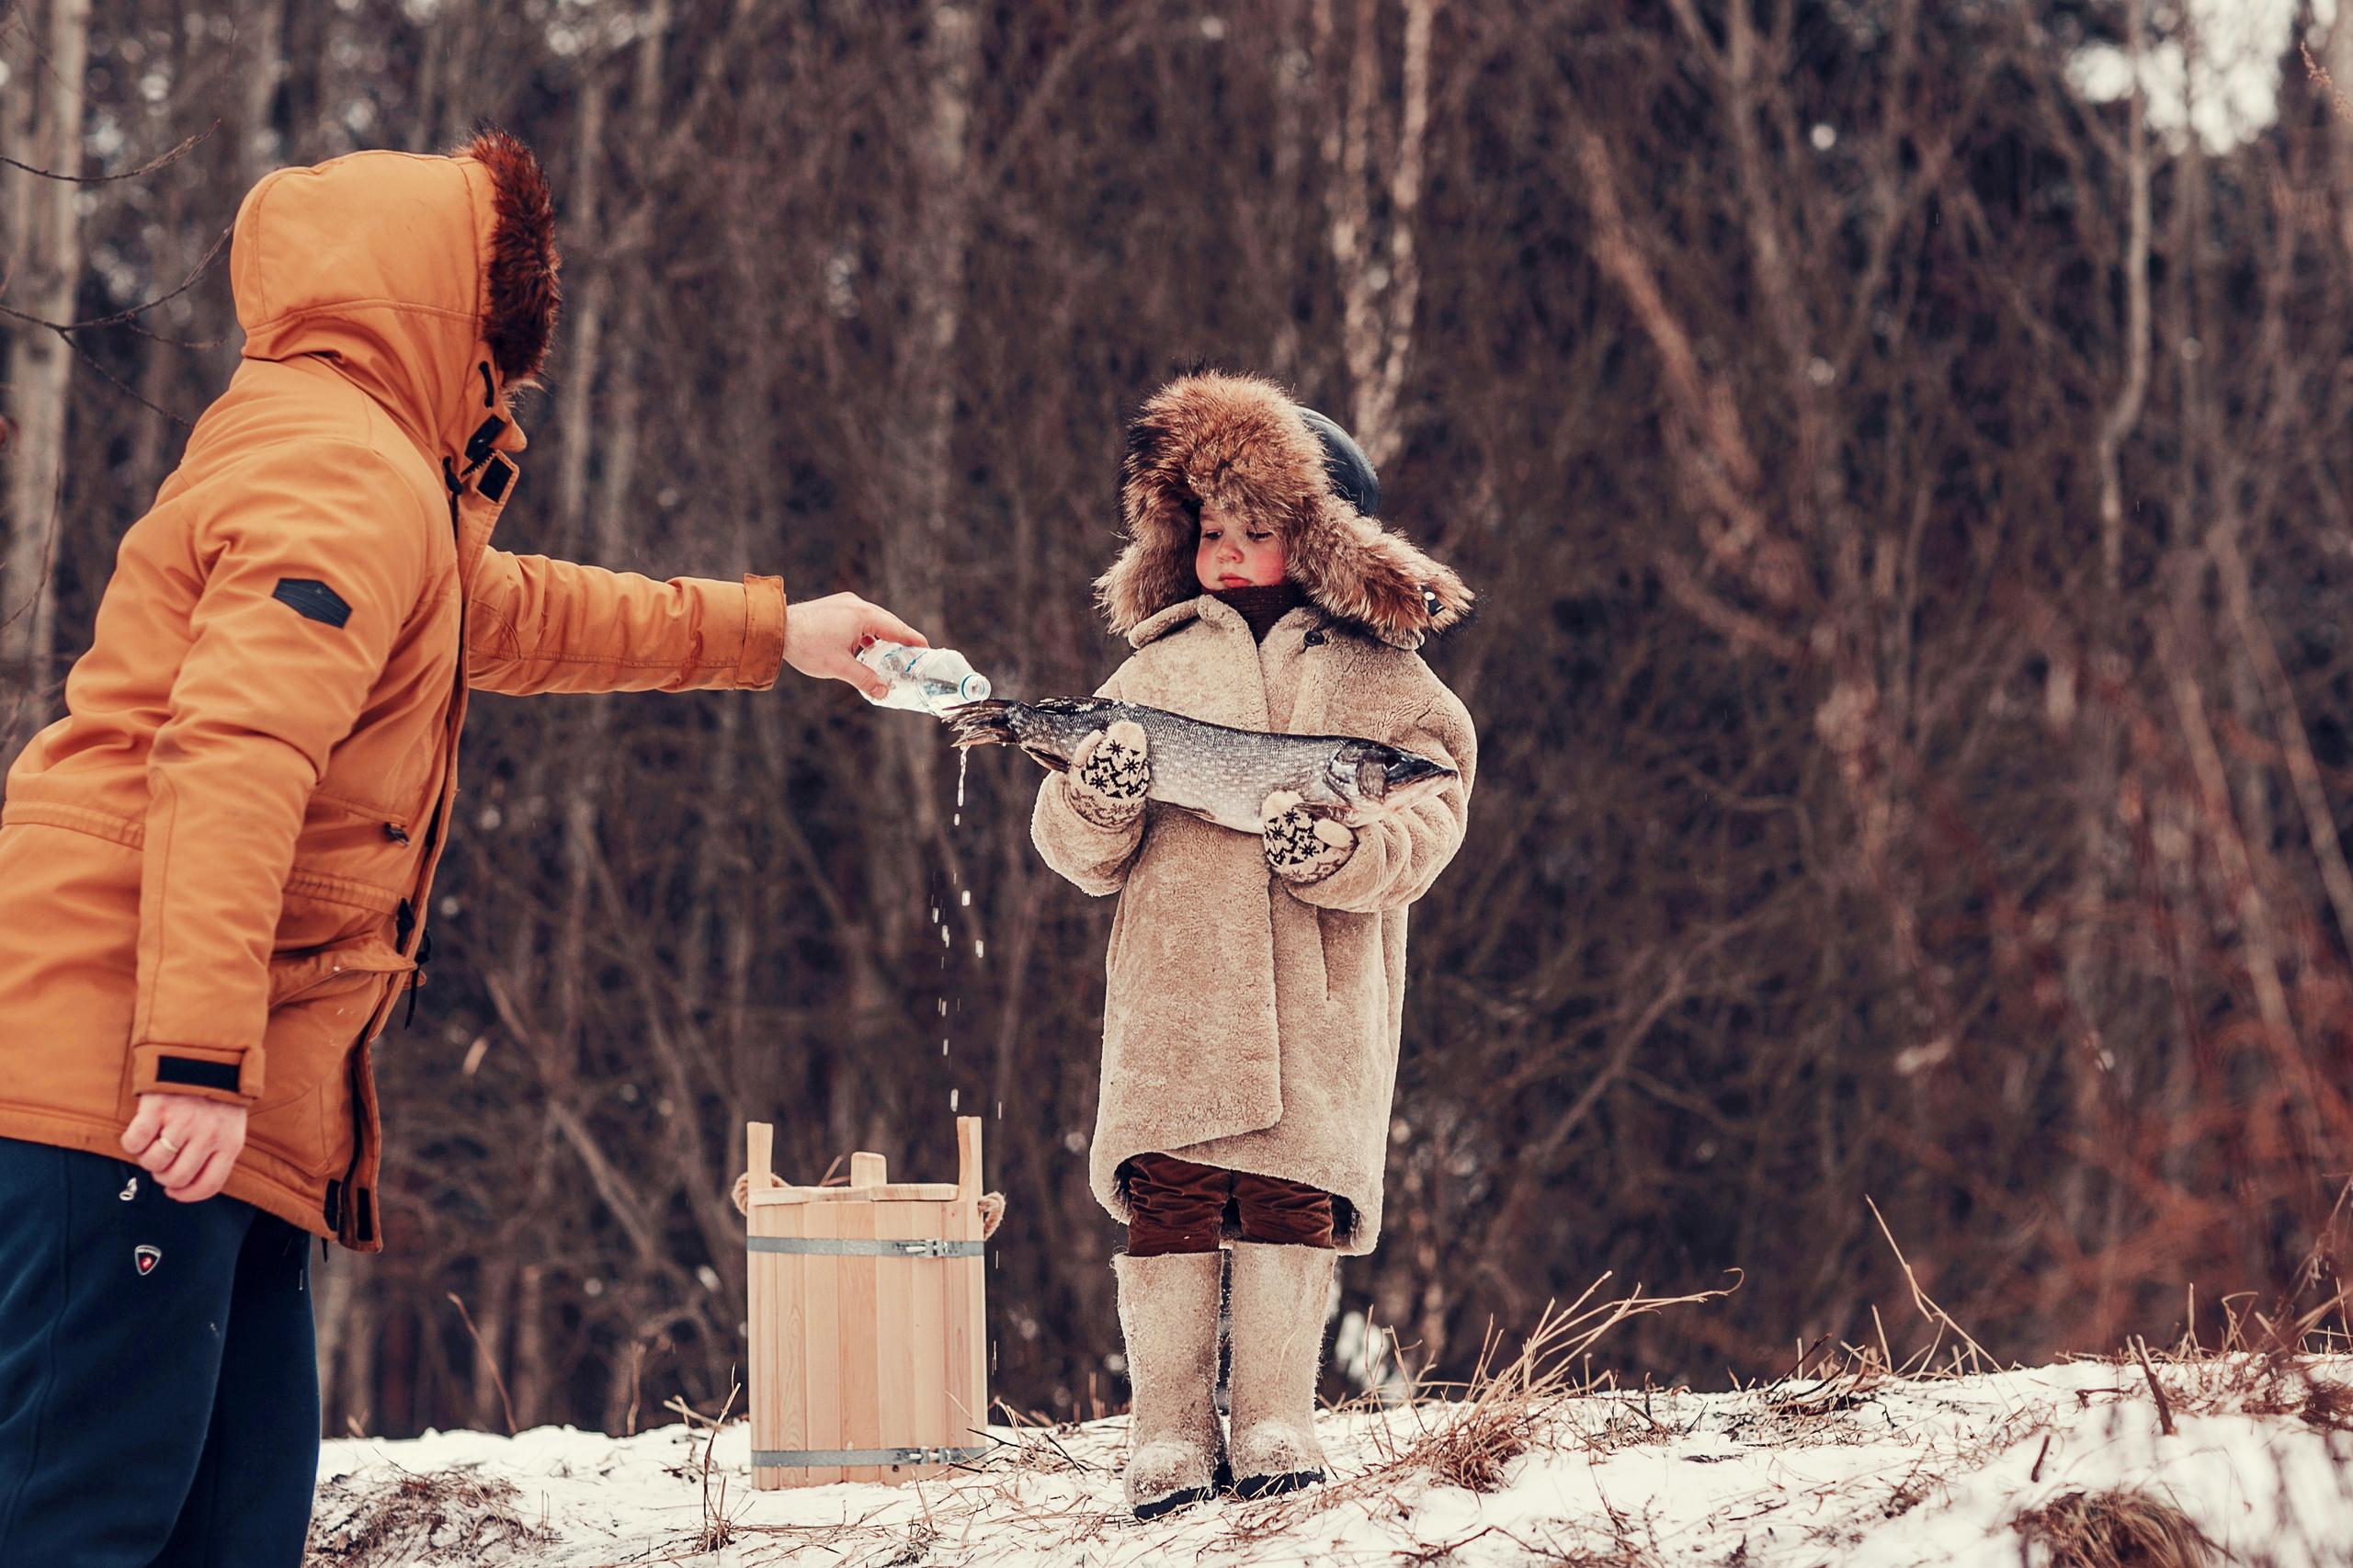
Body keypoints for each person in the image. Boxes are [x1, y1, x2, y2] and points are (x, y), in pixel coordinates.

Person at [0, 131, 923, 1565]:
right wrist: (191, 1059)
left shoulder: (353, 465)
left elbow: (522, 615)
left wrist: (773, 631)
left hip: (216, 1090)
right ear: (450, 318)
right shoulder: (337, 470)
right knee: (82, 1524)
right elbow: (234, 754)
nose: (506, 393)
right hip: (134, 1076)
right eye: (503, 354)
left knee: (230, 1526)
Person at [1028, 369, 1476, 1518]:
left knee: (1291, 1193)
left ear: (1320, 539)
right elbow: (1075, 849)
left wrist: (1343, 855)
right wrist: (1097, 799)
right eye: (1209, 532)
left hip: (1319, 999)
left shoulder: (1390, 681)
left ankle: (1278, 1415)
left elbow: (1430, 821)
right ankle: (1167, 1430)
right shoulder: (1153, 666)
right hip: (1174, 993)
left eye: (1256, 530)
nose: (1227, 554)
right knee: (1168, 1196)